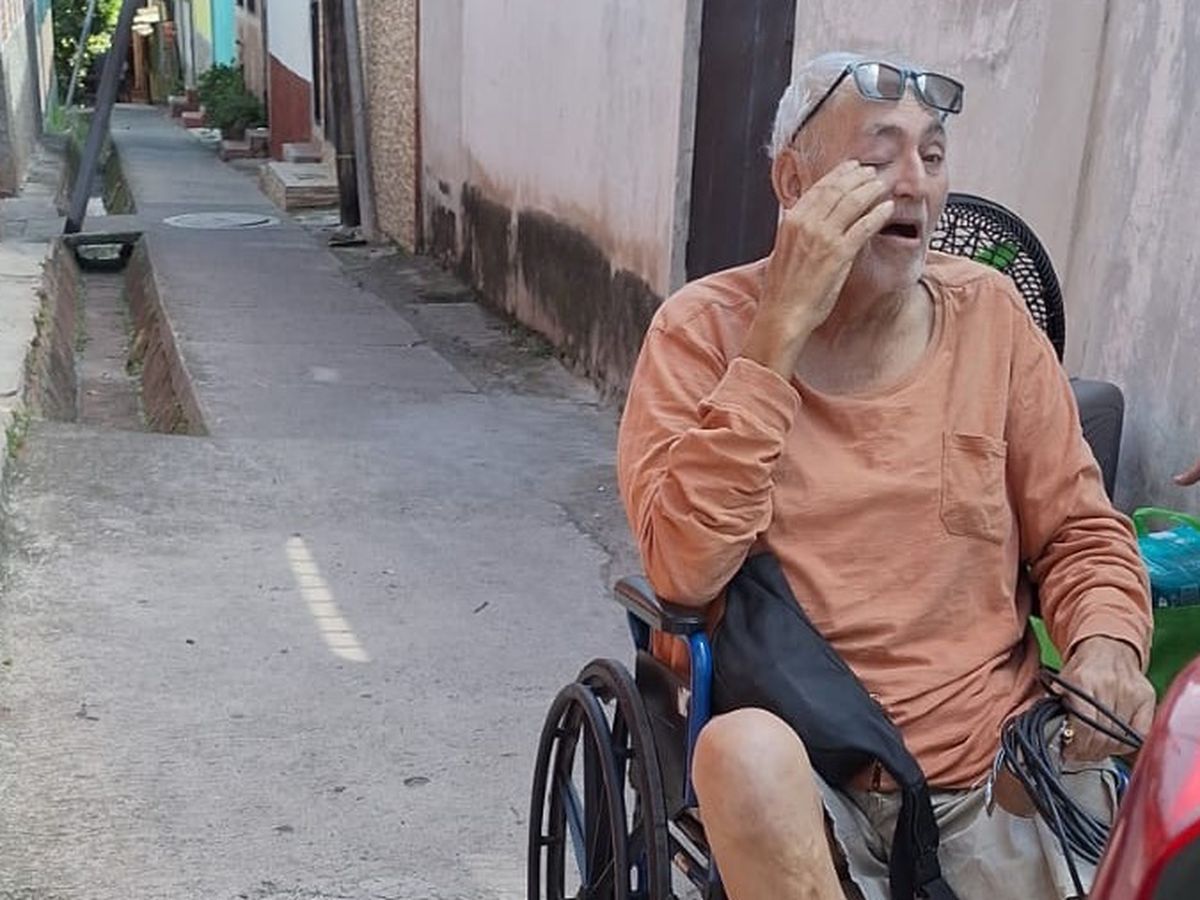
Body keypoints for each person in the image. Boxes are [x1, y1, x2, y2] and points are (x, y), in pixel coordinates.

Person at [617, 51, 1155, 899]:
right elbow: (683, 569)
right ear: (794, 182)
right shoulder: (699, 332)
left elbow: (1078, 533)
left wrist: (1108, 644)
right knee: (741, 752)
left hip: (993, 764)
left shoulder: (991, 318)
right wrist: (777, 334)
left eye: (932, 156)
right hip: (809, 772)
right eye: (877, 158)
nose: (914, 183)